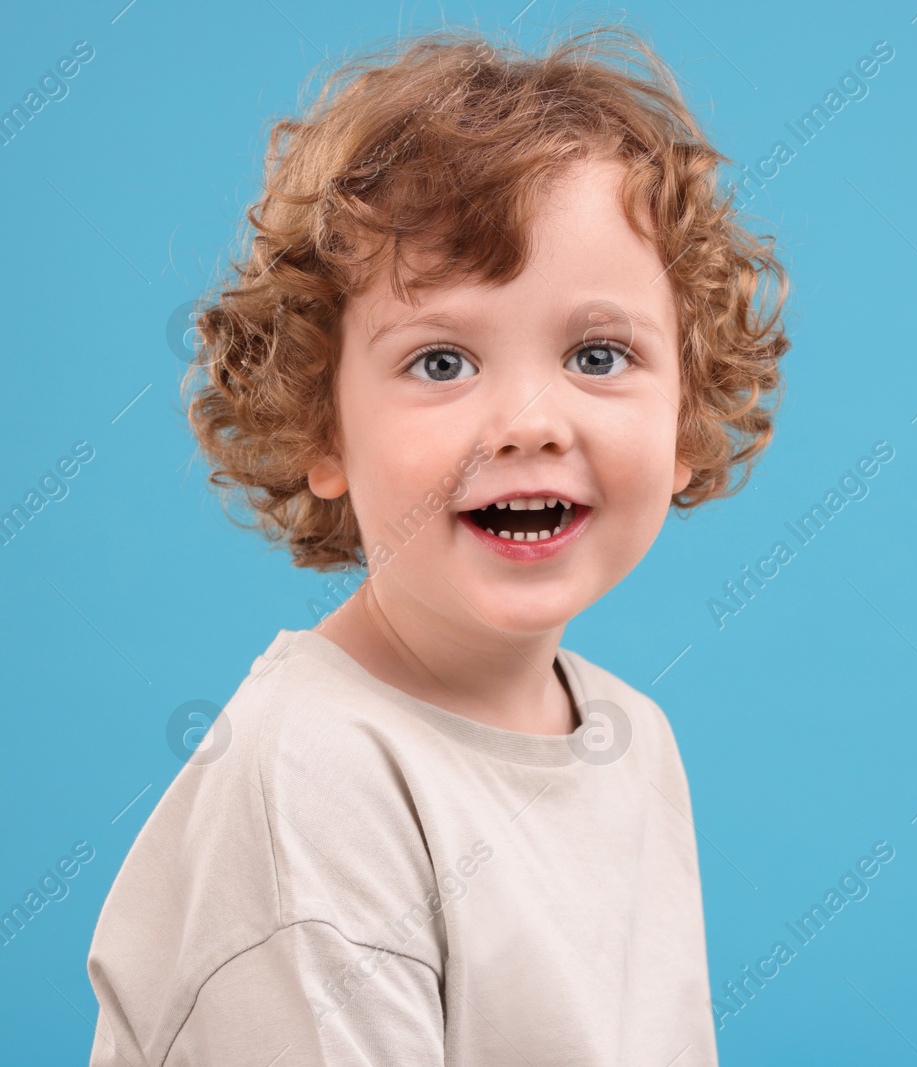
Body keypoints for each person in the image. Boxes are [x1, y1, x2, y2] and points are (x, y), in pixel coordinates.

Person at [85, 25, 787, 1066]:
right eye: (442, 359)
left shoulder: (629, 736)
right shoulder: (313, 780)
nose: (527, 420)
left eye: (599, 353)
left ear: (685, 420)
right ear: (322, 425)